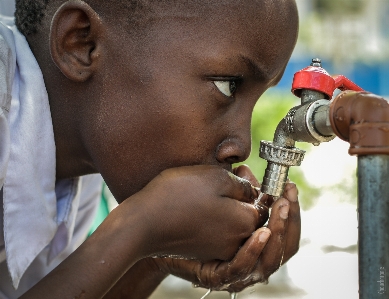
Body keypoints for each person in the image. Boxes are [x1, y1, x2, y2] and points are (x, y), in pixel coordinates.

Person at [0, 0, 301, 298]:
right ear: (82, 44)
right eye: (227, 86)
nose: (241, 147)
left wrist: (155, 256)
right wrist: (137, 228)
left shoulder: (82, 163)